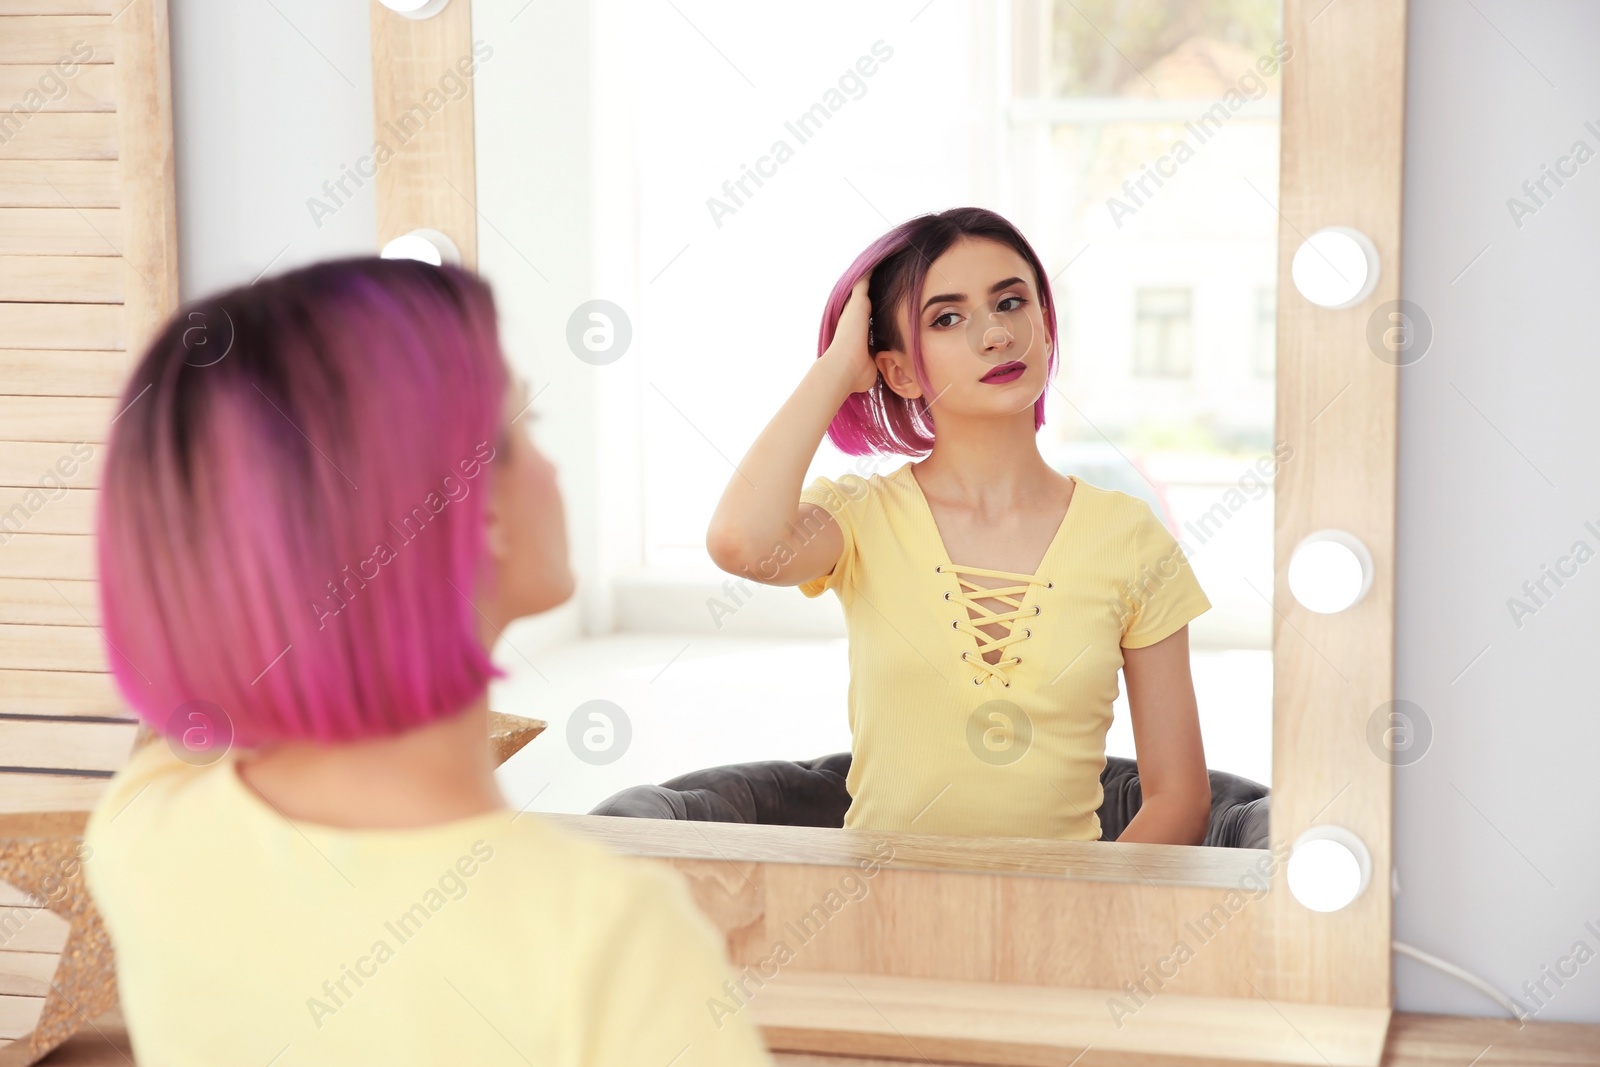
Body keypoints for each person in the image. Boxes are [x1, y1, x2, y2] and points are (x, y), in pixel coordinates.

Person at [83, 257, 774, 1065]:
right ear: (480, 513)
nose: (551, 468)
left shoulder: (145, 828)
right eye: (524, 431)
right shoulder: (607, 938)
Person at [706, 207, 1214, 844]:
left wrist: (1077, 925)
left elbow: (1181, 799)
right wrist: (836, 369)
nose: (995, 335)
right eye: (947, 317)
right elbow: (740, 543)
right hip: (880, 916)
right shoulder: (862, 519)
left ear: (1047, 329)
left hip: (1064, 924)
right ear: (899, 371)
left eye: (1010, 302)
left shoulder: (1130, 539)